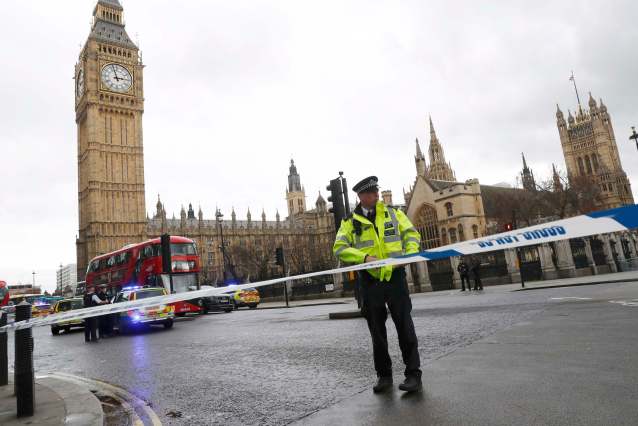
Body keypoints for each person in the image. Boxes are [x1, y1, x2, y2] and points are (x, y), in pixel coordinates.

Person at [333, 176, 423, 393]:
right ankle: (384, 376)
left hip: (395, 278)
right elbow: (340, 248)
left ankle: (413, 375)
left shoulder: (393, 213)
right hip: (370, 281)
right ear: (361, 197)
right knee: (377, 332)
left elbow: (411, 234)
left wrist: (409, 255)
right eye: (371, 192)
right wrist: (363, 258)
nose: (375, 195)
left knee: (405, 327)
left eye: (376, 191)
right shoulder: (349, 222)